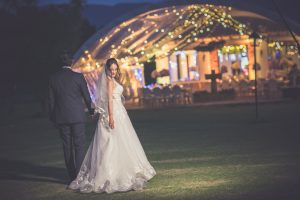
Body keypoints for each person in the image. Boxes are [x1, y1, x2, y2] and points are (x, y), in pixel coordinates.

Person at [69, 58, 156, 193]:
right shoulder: (109, 82)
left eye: (116, 69)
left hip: (120, 113)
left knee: (123, 141)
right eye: (112, 69)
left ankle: (125, 168)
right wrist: (111, 117)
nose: (114, 71)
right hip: (114, 113)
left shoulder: (113, 80)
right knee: (111, 142)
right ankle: (110, 173)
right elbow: (109, 100)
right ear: (107, 69)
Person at [47, 52, 95, 182]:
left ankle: (72, 175)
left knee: (66, 146)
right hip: (77, 116)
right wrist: (91, 111)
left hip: (62, 118)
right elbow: (87, 96)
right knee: (79, 145)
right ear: (71, 62)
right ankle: (79, 175)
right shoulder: (78, 77)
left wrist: (53, 118)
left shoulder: (53, 78)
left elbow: (51, 101)